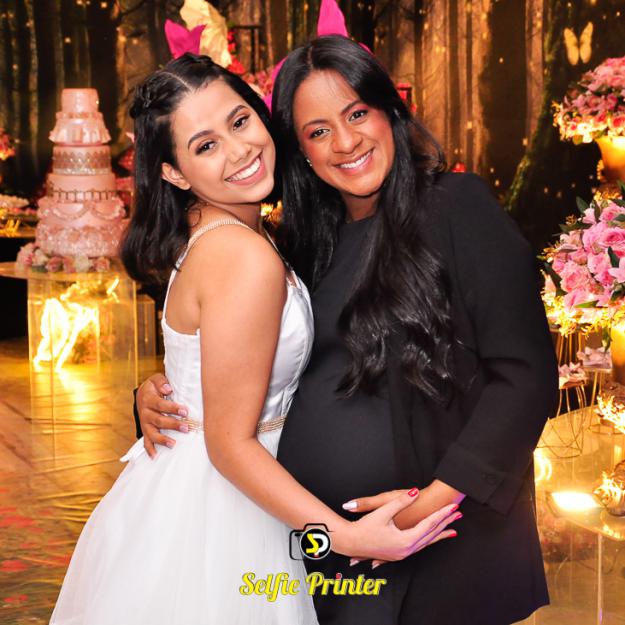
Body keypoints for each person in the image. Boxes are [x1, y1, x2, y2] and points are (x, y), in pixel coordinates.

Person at [137, 37, 559, 625]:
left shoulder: (457, 208)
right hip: (327, 559)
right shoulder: (302, 243)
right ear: (300, 149)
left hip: (440, 545)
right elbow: (256, 373)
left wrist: (432, 504)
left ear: (390, 110)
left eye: (357, 113)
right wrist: (158, 395)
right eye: (318, 131)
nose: (346, 141)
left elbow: (525, 375)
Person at [49, 54, 459, 625]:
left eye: (239, 121)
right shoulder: (242, 255)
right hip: (226, 505)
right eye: (205, 146)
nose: (239, 150)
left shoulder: (219, 233)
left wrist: (161, 391)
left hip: (196, 488)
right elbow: (228, 444)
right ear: (174, 173)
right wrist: (346, 537)